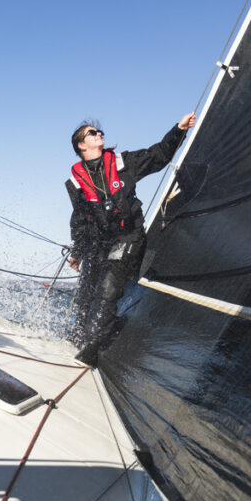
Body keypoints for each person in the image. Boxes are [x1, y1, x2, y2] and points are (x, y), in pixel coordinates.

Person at [65, 112, 196, 366]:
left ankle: (93, 346)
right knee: (85, 292)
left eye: (99, 132)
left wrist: (179, 129)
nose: (99, 134)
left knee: (109, 286)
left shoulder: (124, 162)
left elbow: (159, 155)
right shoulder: (75, 182)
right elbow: (80, 219)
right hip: (100, 242)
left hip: (129, 236)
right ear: (81, 145)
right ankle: (78, 336)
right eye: (92, 133)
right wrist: (78, 251)